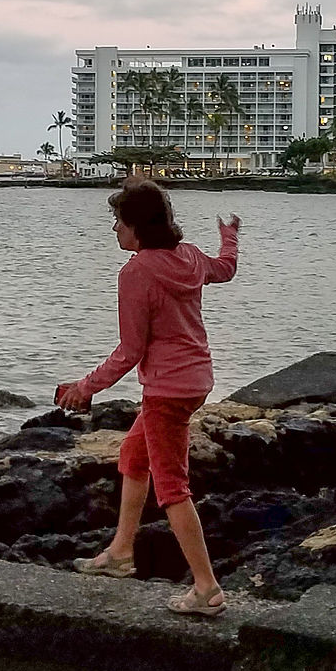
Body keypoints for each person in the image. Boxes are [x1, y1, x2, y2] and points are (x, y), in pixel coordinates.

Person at [56, 179, 240, 617]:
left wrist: (85, 388)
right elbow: (225, 269)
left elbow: (130, 350)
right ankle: (121, 552)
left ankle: (207, 588)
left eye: (119, 223)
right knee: (133, 459)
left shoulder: (136, 272)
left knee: (173, 488)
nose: (115, 230)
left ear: (137, 227)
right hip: (196, 380)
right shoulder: (190, 256)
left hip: (167, 389)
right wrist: (229, 238)